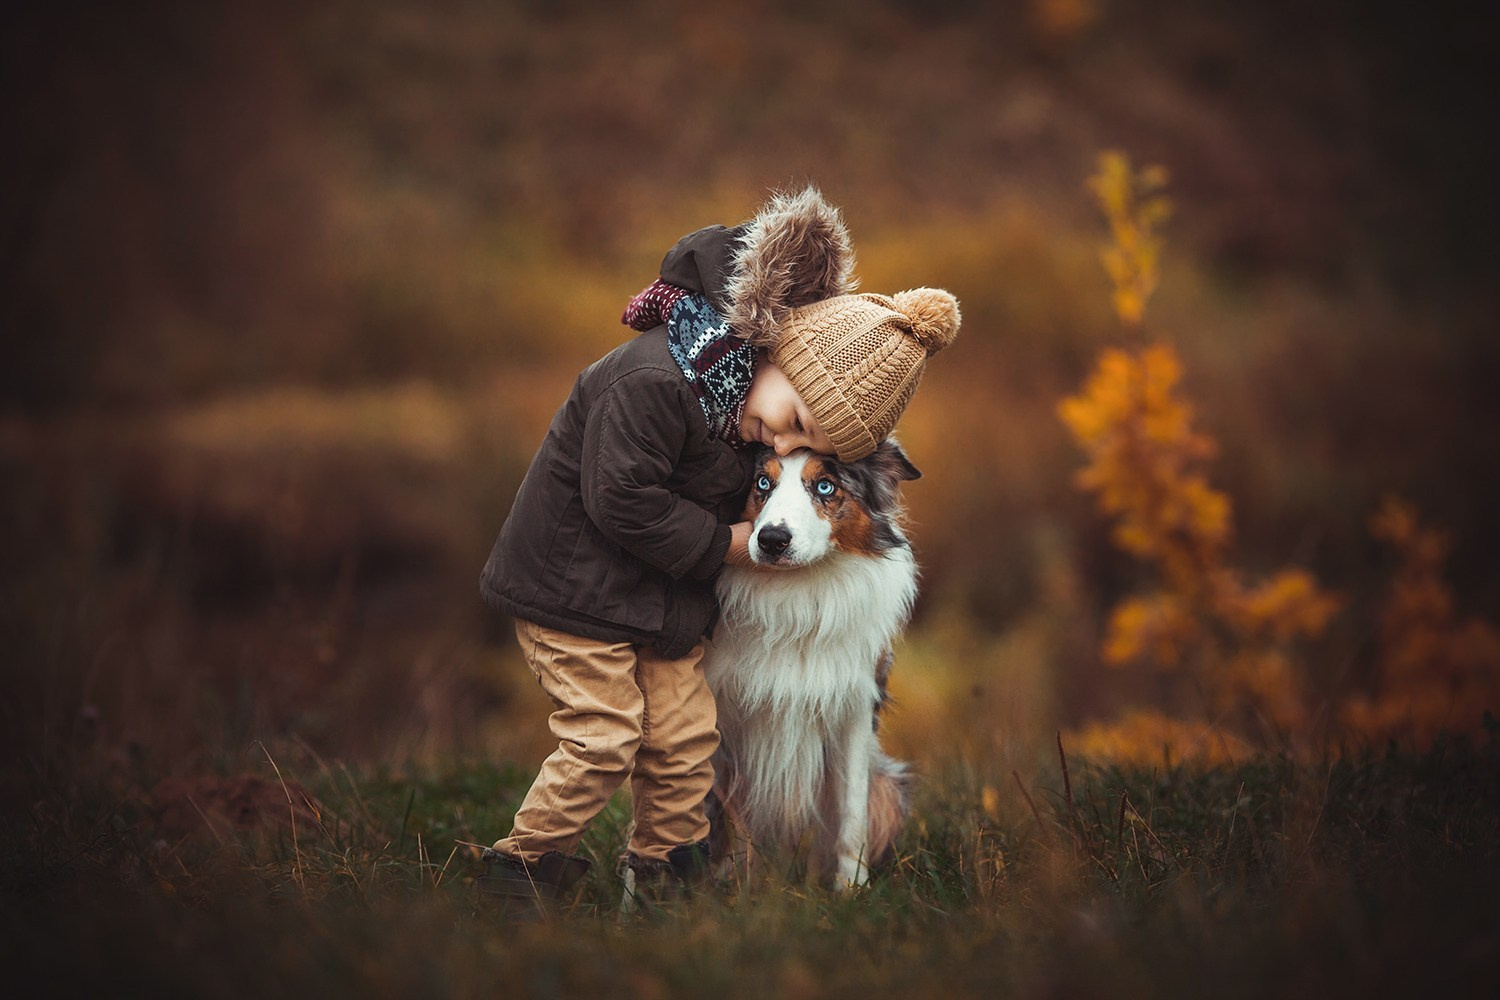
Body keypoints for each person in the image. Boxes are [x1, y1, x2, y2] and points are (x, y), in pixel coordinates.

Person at [475, 187, 959, 917]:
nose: (785, 446)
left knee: (686, 738)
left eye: (810, 447)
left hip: (653, 601)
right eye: (795, 421)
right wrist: (730, 542)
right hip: (572, 596)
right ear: (776, 353)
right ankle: (522, 869)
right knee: (605, 736)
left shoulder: (739, 408)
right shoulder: (653, 380)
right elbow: (621, 501)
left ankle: (667, 882)